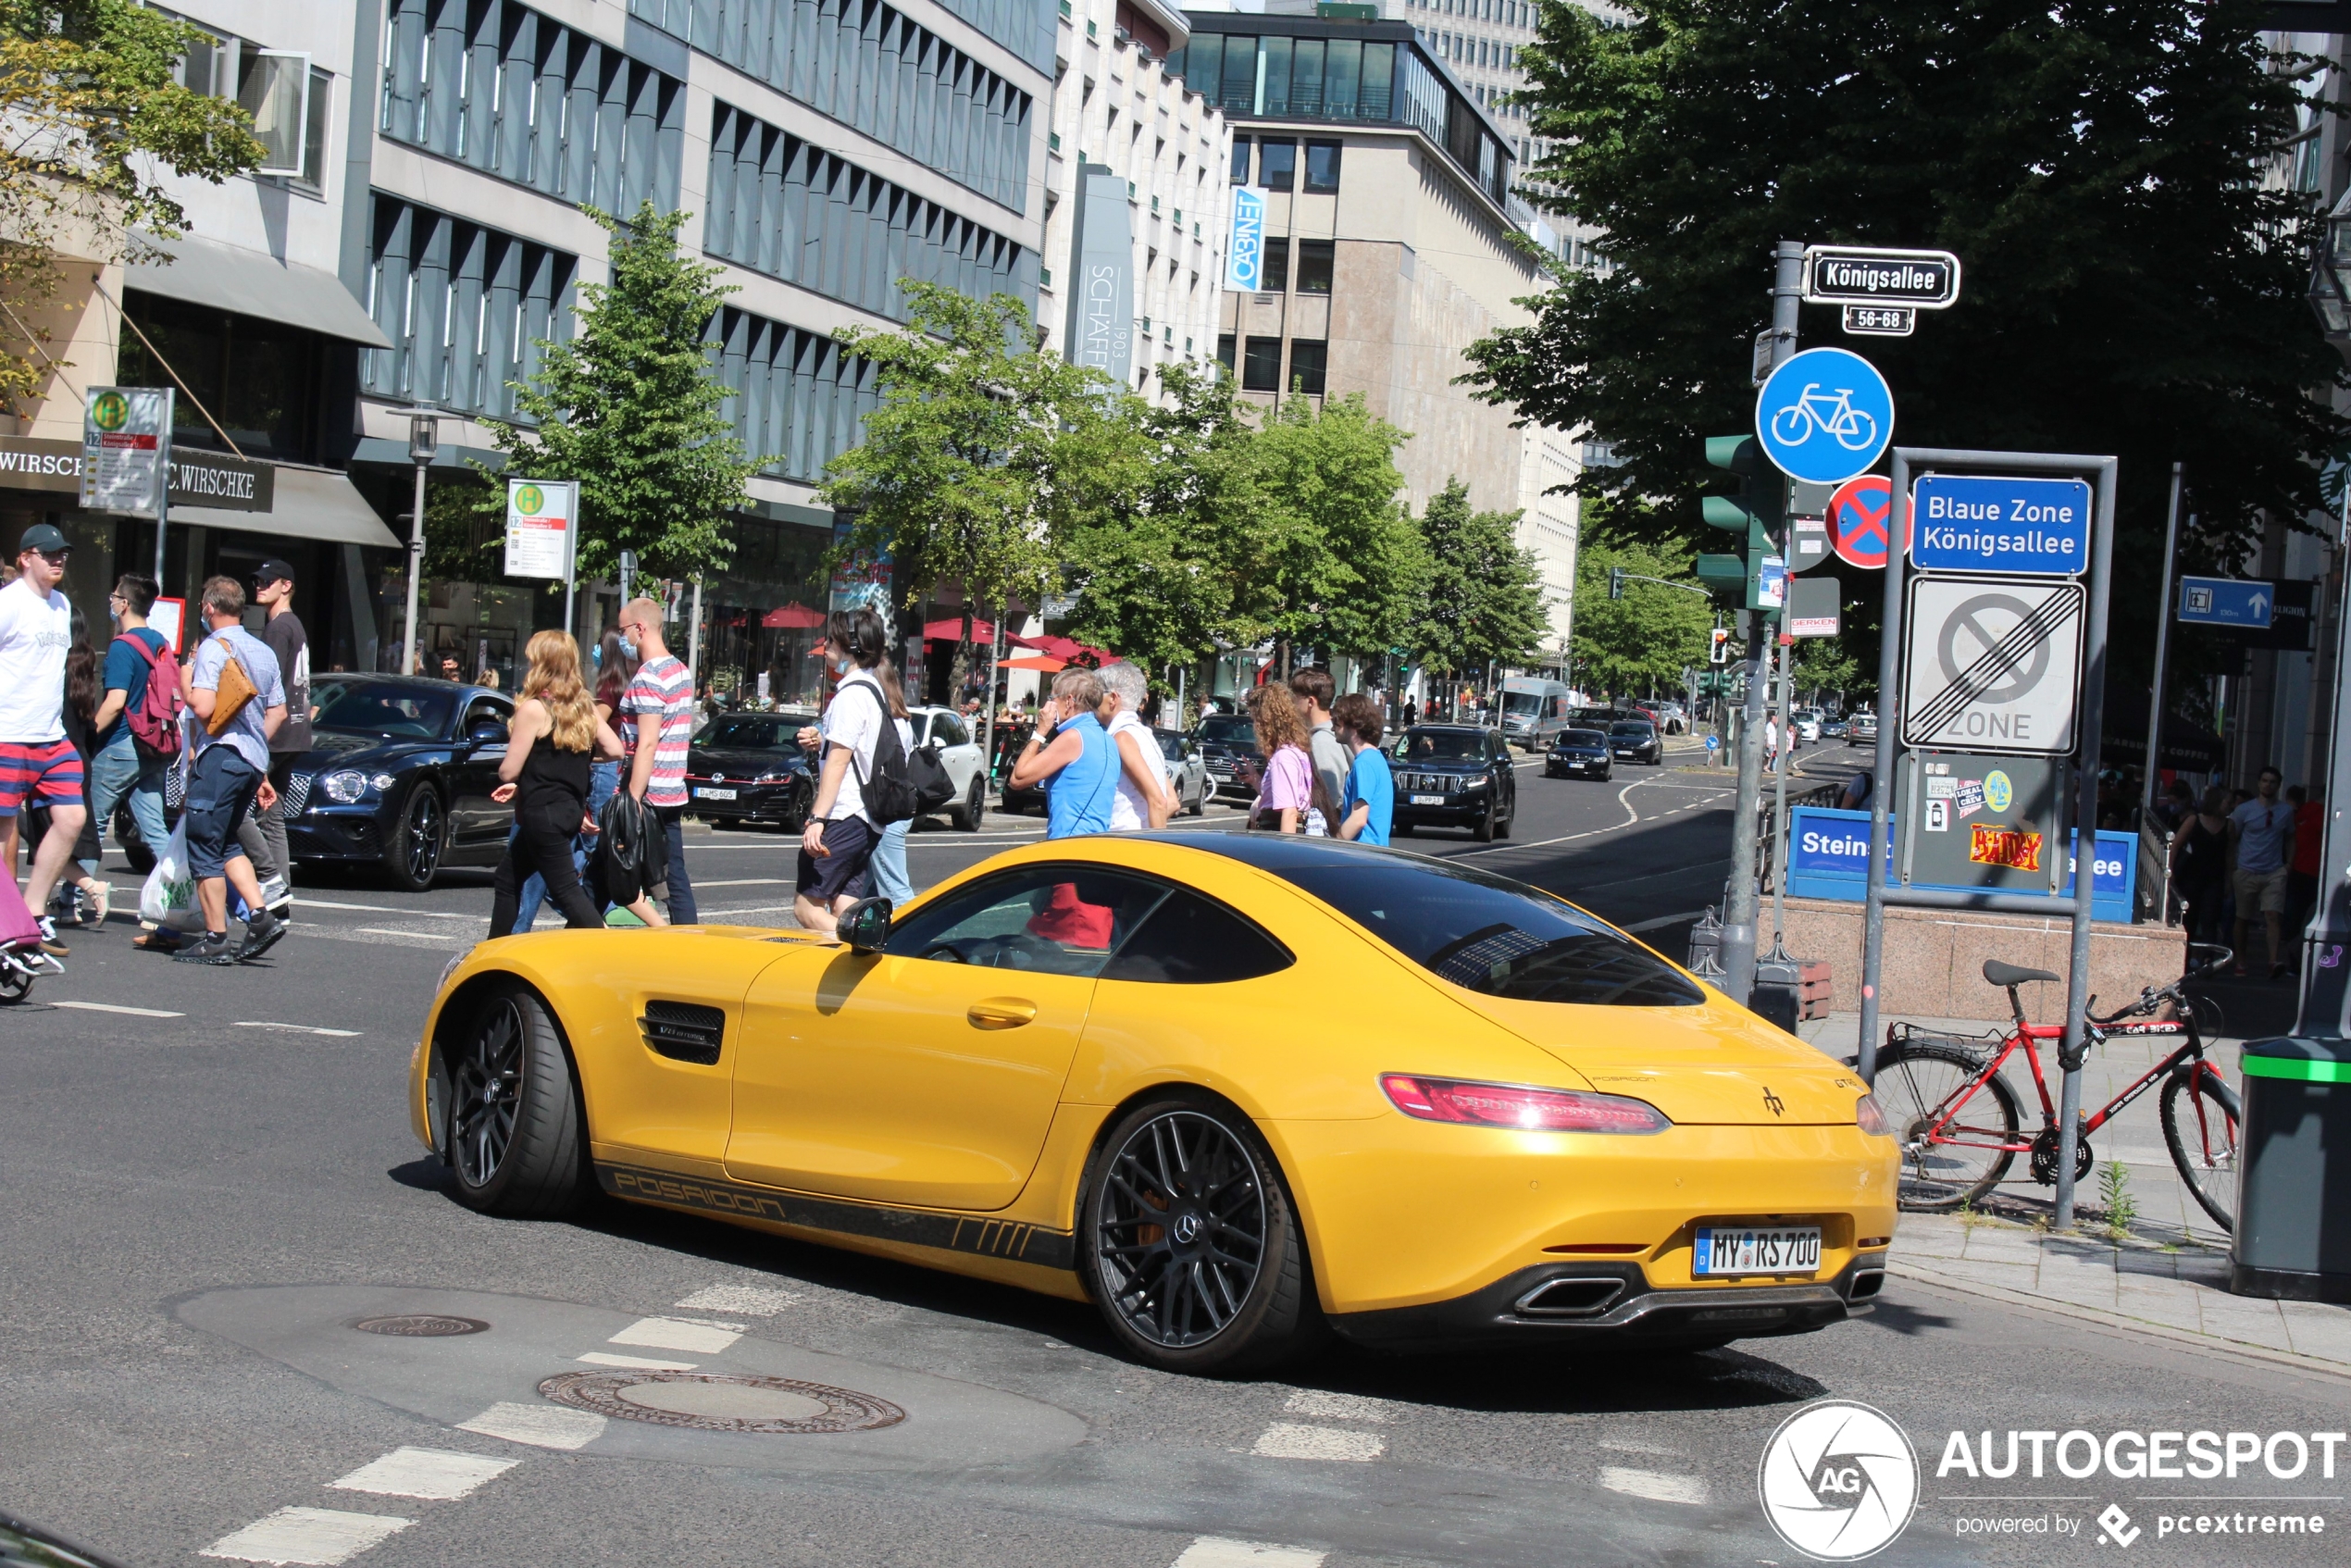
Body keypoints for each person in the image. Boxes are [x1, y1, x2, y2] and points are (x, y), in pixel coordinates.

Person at [175, 576, 288, 965]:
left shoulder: (212, 647)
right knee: (226, 842)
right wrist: (256, 754)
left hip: (220, 755)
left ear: (208, 607)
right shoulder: (263, 651)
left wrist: (185, 681)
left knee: (204, 842)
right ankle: (260, 917)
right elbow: (279, 711)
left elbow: (203, 708)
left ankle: (215, 937)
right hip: (252, 761)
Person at [488, 631, 619, 937]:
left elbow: (508, 771)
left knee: (567, 892)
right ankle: (492, 948)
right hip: (568, 811)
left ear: (542, 664)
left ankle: (610, 948)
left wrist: (520, 776)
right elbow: (614, 750)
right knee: (507, 879)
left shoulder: (535, 708)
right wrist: (573, 761)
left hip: (541, 813)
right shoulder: (583, 707)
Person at [0, 523, 87, 954]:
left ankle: (33, 910)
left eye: (62, 555)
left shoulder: (61, 604)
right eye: (49, 554)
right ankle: (5, 921)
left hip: (51, 737)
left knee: (72, 819)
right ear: (25, 558)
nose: (58, 561)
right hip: (8, 735)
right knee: (3, 834)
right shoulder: (8, 604)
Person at [793, 607, 889, 934]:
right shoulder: (872, 691)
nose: (826, 643)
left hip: (845, 813)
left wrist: (817, 818)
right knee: (843, 906)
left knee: (807, 908)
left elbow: (839, 760)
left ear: (854, 644)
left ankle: (875, 952)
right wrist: (820, 741)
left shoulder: (851, 695)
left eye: (833, 637)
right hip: (867, 820)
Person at [616, 596, 698, 926]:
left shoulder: (649, 677)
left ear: (640, 627)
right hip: (672, 789)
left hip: (647, 792)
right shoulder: (680, 671)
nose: (622, 639)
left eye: (623, 630)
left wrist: (632, 798)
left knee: (611, 868)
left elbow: (647, 742)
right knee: (672, 873)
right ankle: (687, 939)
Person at [90, 573, 171, 890]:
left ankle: (71, 898)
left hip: (121, 744)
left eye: (114, 597)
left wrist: (89, 736)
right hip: (154, 745)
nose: (111, 602)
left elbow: (115, 702)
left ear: (123, 604)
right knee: (154, 827)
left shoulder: (123, 647)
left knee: (91, 824)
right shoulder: (160, 643)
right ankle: (178, 893)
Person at [26, 641, 107, 927]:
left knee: (37, 834)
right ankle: (71, 898)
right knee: (69, 832)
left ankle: (78, 893)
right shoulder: (82, 668)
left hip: (46, 750)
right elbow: (91, 724)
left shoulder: (50, 670)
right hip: (76, 755)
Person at [251, 559, 310, 915]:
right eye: (257, 581)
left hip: (274, 733)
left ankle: (268, 884)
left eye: (267, 581)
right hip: (296, 732)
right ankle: (279, 895)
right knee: (272, 817)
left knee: (243, 812)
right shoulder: (295, 625)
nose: (260, 586)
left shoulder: (277, 629)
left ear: (285, 585)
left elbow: (265, 685)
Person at [1008, 666, 1116, 840]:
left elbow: (1018, 778)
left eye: (1052, 698)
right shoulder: (1108, 739)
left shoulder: (1073, 738)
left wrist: (1041, 731)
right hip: (1097, 839)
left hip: (1069, 840)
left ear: (1069, 701)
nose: (1048, 705)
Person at [2230, 765, 2295, 978]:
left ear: (2278, 785)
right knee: (2243, 918)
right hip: (2247, 869)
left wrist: (2288, 864)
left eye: (2272, 782)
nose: (2268, 785)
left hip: (2273, 871)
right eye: (2265, 781)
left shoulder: (2285, 811)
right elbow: (2232, 837)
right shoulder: (2245, 810)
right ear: (2259, 784)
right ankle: (2241, 961)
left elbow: (2291, 837)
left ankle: (2273, 960)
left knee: (2273, 915)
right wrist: (2233, 868)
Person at [865, 662, 919, 907]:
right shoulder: (901, 720)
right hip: (894, 808)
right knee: (863, 887)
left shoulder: (887, 721)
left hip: (885, 811)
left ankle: (913, 940)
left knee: (895, 892)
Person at [1098, 661, 1175, 831]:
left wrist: (1153, 848)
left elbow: (1159, 801)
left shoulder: (1122, 738)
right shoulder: (1145, 735)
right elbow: (1172, 802)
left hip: (1123, 842)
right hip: (1133, 839)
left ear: (1113, 698)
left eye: (1097, 694)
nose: (1093, 702)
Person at [1246, 679, 1329, 834]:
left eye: (1256, 719)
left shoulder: (1283, 757)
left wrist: (1285, 851)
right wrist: (1254, 779)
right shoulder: (1297, 751)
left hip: (1276, 830)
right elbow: (1278, 797)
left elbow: (1289, 812)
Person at [2171, 785, 2231, 952]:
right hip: (2191, 876)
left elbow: (2230, 855)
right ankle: (2186, 957)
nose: (2229, 806)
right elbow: (2176, 845)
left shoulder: (2228, 825)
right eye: (2227, 802)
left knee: (2210, 919)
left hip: (2215, 878)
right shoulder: (2194, 820)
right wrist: (2171, 870)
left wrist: (2229, 881)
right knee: (2189, 918)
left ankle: (2208, 957)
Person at [1332, 691, 1392, 845]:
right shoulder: (1376, 758)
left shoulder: (1363, 764)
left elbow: (1358, 819)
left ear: (1352, 725)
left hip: (1363, 852)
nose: (1332, 729)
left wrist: (1333, 844)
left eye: (1336, 723)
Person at [1290, 666, 1350, 813]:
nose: (1292, 703)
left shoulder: (1321, 741)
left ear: (1310, 702)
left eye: (1295, 698)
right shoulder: (1334, 733)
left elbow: (1328, 797)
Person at [2288, 782, 2324, 955]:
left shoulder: (2306, 810)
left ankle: (2294, 946)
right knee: (2307, 913)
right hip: (2313, 869)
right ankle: (2298, 949)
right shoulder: (2322, 813)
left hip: (2300, 866)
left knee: (2298, 912)